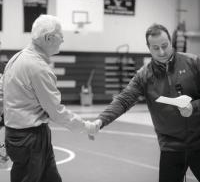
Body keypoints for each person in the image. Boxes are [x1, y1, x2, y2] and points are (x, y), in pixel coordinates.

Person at [91, 23, 200, 182]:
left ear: (171, 42)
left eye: (164, 45)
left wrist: (194, 107)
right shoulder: (144, 75)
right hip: (171, 146)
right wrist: (100, 121)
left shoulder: (193, 63)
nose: (162, 52)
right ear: (148, 48)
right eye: (156, 48)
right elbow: (124, 100)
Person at [0, 14, 98, 182]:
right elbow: (56, 111)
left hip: (20, 135)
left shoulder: (16, 58)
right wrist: (85, 126)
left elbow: (4, 98)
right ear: (48, 38)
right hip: (30, 138)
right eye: (61, 36)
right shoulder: (38, 67)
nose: (63, 40)